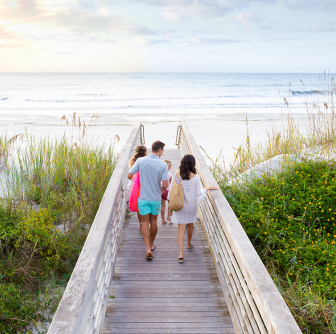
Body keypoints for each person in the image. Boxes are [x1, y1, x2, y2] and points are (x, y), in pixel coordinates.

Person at [168, 154, 218, 263]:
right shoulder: (195, 177)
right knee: (190, 224)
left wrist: (169, 207)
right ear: (192, 164)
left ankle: (181, 254)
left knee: (181, 229)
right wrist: (207, 189)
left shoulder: (177, 175)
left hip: (179, 205)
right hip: (191, 206)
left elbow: (171, 191)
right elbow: (198, 193)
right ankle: (188, 244)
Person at [128, 141, 168, 260]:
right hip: (155, 199)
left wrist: (138, 182)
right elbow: (165, 184)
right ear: (159, 150)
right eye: (163, 150)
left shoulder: (140, 161)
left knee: (144, 223)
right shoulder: (163, 165)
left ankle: (147, 249)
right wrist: (160, 191)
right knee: (154, 222)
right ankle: (151, 243)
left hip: (143, 198)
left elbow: (129, 175)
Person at [128, 145, 147, 227]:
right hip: (143, 184)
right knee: (144, 203)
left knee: (138, 204)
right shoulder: (145, 161)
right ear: (145, 152)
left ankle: (141, 223)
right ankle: (145, 221)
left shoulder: (133, 161)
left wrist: (133, 179)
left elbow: (129, 175)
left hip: (134, 184)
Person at [160, 159, 173, 225]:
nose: (170, 168)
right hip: (167, 191)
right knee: (170, 204)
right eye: (170, 166)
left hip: (161, 191)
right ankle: (168, 216)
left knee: (162, 206)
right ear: (167, 167)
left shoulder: (160, 173)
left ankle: (163, 220)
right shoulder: (169, 174)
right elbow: (172, 183)